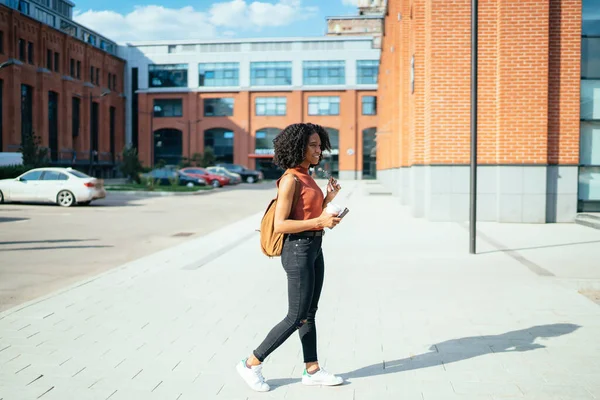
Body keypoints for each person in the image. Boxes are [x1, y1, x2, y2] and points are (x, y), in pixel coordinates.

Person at [236, 123, 344, 392]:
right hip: (297, 251)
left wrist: (328, 199)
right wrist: (320, 220)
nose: (319, 150)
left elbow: (307, 214)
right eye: (314, 145)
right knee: (296, 316)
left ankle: (312, 370)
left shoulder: (307, 176)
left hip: (314, 249)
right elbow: (281, 224)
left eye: (320, 145)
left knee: (310, 313)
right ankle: (251, 364)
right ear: (299, 147)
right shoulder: (290, 180)